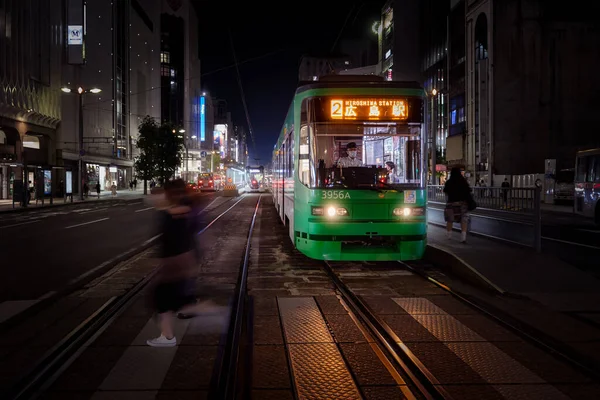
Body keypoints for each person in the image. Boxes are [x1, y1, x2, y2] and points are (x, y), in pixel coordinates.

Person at [147, 179, 197, 347]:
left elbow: (169, 241)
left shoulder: (170, 215)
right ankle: (167, 336)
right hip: (181, 263)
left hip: (174, 265)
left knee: (163, 300)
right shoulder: (183, 211)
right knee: (169, 301)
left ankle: (168, 337)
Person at [443, 167, 472, 243]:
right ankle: (463, 237)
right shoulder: (463, 181)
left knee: (450, 219)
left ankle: (449, 236)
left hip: (451, 203)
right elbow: (468, 191)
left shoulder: (449, 182)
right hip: (463, 203)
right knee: (463, 220)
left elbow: (445, 191)